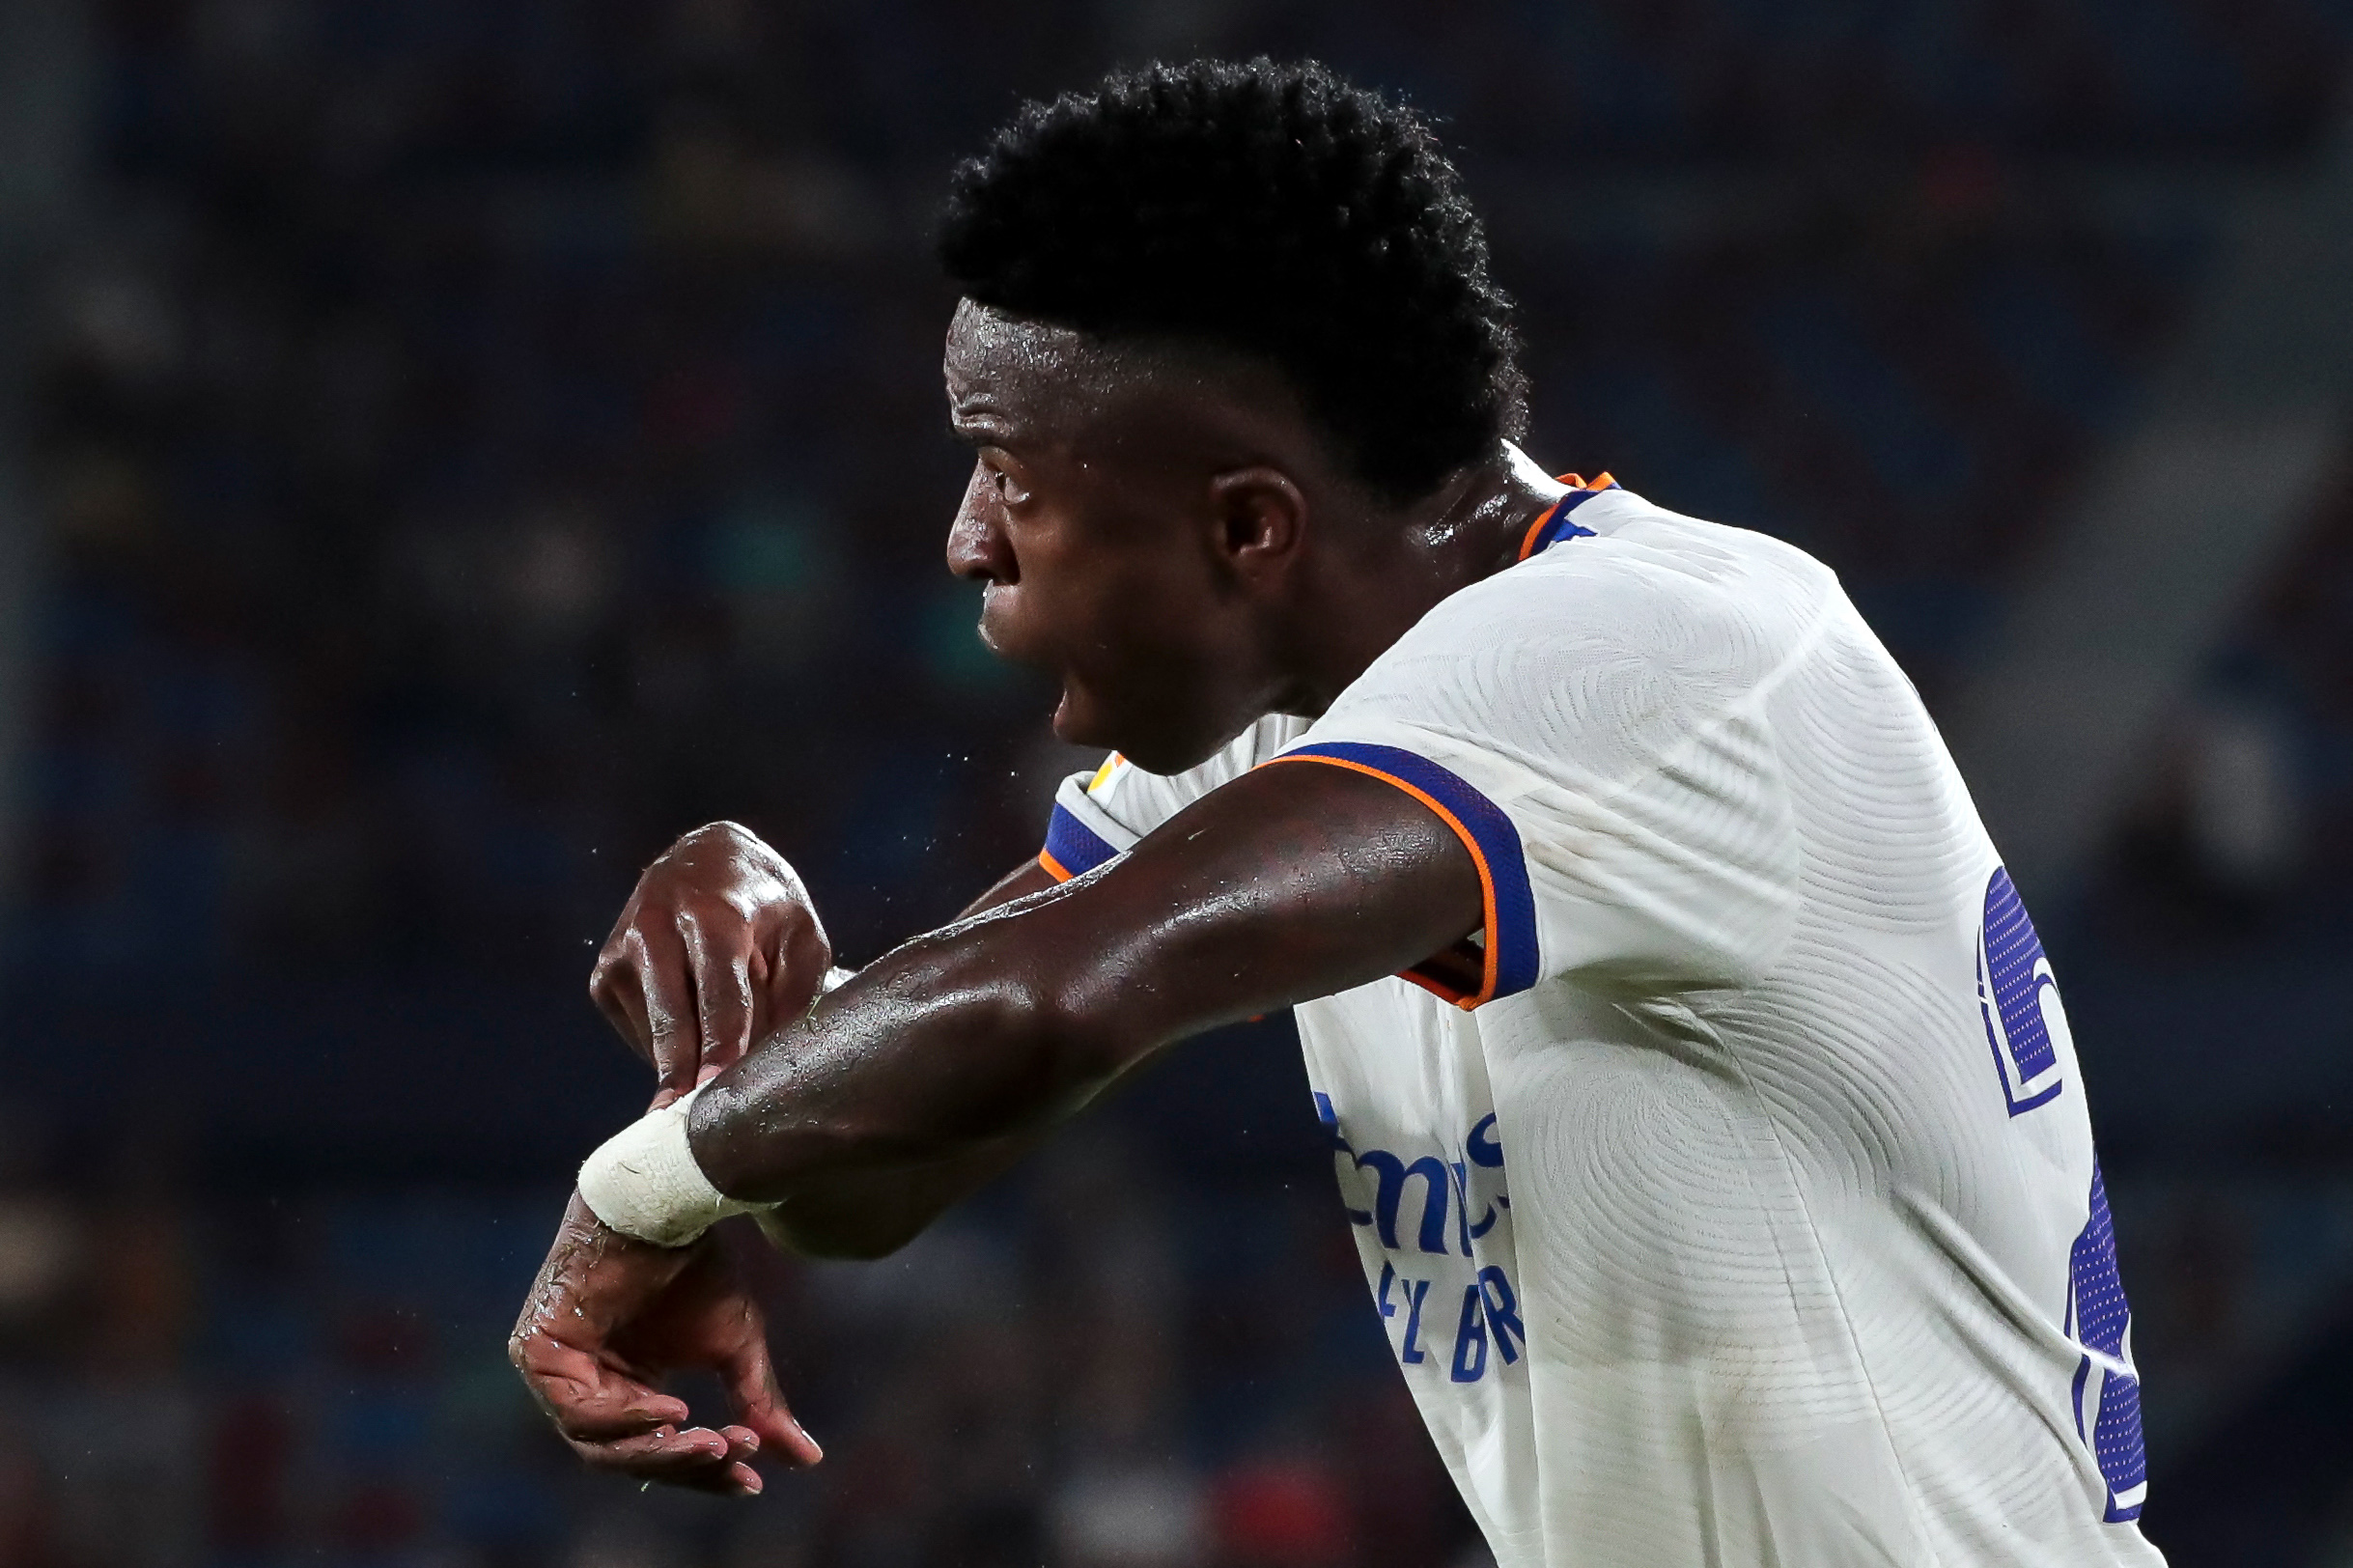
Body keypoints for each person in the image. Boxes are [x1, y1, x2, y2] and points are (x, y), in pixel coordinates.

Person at [509, 57, 2162, 1567]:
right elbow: (871, 1185)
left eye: (1006, 475)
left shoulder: (1646, 659)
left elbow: (1046, 1003)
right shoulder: (1299, 712)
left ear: (1245, 529)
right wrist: (747, 1034)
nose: (965, 544)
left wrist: (637, 1192)